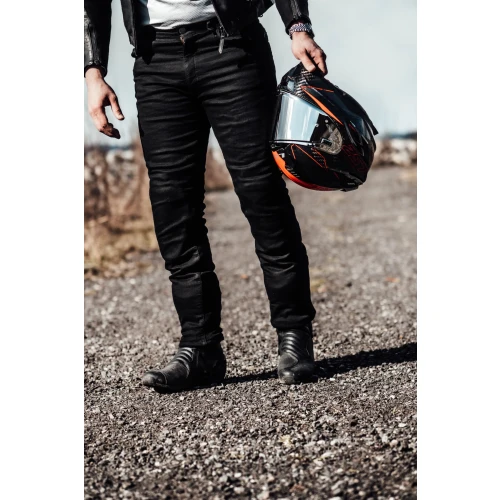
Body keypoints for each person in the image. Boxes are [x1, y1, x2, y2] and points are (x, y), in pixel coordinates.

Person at [84, 0, 328, 392]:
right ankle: (200, 348)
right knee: (173, 207)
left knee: (262, 194)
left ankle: (294, 334)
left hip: (232, 47)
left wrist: (298, 26)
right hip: (155, 61)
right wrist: (93, 71)